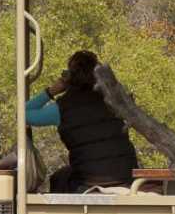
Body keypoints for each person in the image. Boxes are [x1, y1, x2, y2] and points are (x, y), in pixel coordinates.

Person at [27, 50, 137, 193]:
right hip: (126, 178)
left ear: (69, 78)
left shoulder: (62, 108)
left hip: (89, 181)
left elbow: (24, 113)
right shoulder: (114, 101)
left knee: (58, 178)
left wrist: (51, 91)